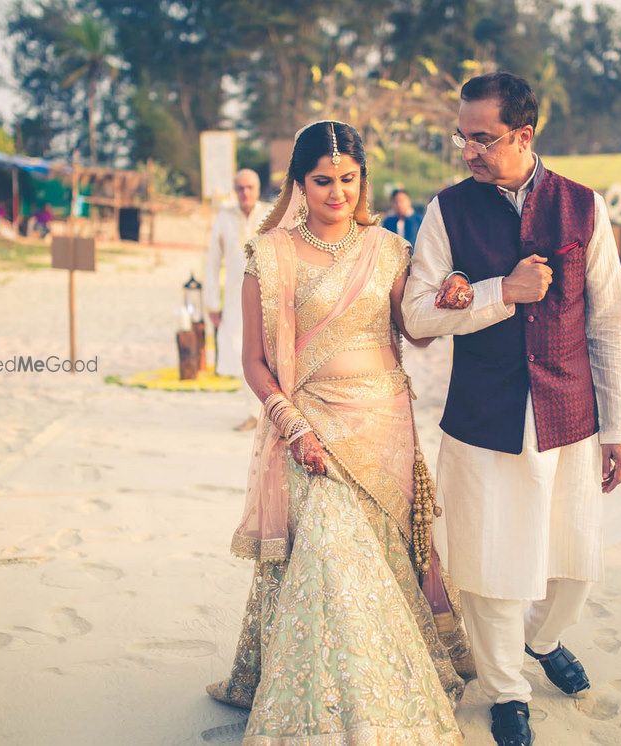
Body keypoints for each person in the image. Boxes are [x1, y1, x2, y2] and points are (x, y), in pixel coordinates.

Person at [205, 121, 473, 744]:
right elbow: (254, 363)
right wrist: (292, 426)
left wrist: (453, 294)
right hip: (308, 428)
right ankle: (330, 708)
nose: (337, 193)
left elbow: (419, 332)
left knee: (376, 558)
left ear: (362, 179)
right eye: (323, 181)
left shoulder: (386, 250)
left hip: (382, 426)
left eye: (348, 180)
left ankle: (380, 694)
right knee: (330, 548)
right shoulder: (266, 255)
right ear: (298, 183)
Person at [402, 72, 621, 746]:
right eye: (462, 137)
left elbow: (610, 324)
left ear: (524, 135)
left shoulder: (583, 207)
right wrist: (497, 291)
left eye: (482, 138)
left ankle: (544, 639)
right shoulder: (446, 211)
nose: (468, 151)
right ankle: (506, 688)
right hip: (482, 417)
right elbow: (417, 315)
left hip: (570, 413)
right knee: (490, 564)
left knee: (574, 563)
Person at [204, 169, 271, 431]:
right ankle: (253, 412)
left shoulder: (270, 214)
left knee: (271, 353)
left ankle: (268, 414)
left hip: (269, 295)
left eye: (250, 187)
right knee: (242, 351)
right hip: (235, 297)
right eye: (240, 188)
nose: (245, 193)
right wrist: (212, 303)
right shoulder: (224, 218)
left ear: (257, 188)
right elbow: (211, 262)